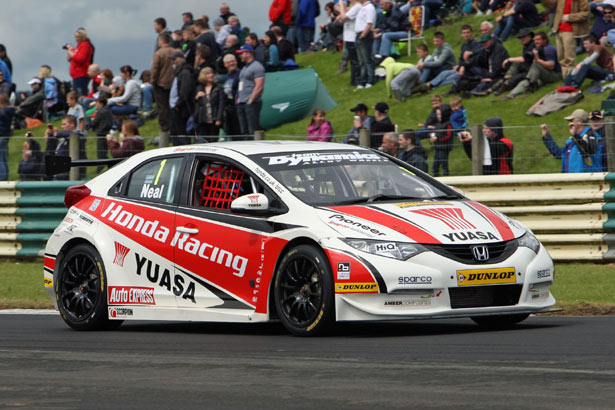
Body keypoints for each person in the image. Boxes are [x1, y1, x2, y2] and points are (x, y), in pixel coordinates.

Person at [540, 108, 603, 172]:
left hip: (588, 179)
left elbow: (588, 152)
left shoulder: (591, 135)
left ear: (579, 122)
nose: (569, 123)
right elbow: (558, 154)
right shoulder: (572, 139)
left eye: (571, 120)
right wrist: (547, 136)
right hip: (572, 178)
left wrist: (575, 135)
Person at [424, 25, 482, 92]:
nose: (466, 34)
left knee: (451, 77)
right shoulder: (464, 45)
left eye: (467, 32)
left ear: (471, 33)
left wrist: (471, 52)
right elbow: (461, 59)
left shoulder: (476, 44)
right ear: (461, 35)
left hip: (470, 69)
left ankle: (434, 87)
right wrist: (459, 65)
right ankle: (429, 85)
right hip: (461, 67)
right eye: (464, 33)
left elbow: (481, 50)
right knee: (444, 73)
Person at [504, 32, 562, 99]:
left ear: (545, 40)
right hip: (544, 74)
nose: (536, 42)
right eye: (535, 40)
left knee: (535, 65)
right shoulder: (539, 49)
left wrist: (537, 59)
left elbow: (551, 66)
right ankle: (511, 95)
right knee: (525, 82)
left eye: (538, 40)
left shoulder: (549, 49)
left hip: (555, 75)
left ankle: (531, 87)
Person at [541, 0, 590, 78]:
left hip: (571, 30)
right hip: (558, 30)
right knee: (561, 59)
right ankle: (566, 80)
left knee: (569, 58)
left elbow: (585, 13)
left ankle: (571, 80)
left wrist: (569, 17)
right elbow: (550, 4)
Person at [493, 28, 536, 96]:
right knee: (516, 72)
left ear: (529, 36)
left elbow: (525, 59)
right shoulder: (527, 46)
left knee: (516, 65)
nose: (522, 39)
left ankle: (502, 85)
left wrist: (509, 59)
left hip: (534, 70)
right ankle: (502, 85)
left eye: (524, 37)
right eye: (520, 38)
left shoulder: (533, 45)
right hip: (529, 69)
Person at [150, 32, 175, 145]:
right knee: (172, 108)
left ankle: (165, 130)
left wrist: (153, 82)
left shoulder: (159, 53)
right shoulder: (176, 52)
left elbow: (155, 69)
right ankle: (173, 129)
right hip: (173, 84)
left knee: (163, 109)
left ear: (161, 40)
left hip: (161, 84)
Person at [236, 44, 265, 137]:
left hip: (252, 102)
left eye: (242, 53)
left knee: (252, 129)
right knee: (244, 131)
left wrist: (251, 100)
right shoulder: (244, 68)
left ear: (248, 53)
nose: (240, 56)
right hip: (242, 102)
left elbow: (259, 86)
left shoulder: (257, 66)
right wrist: (239, 99)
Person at [44, 115, 85, 180]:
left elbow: (73, 134)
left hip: (70, 174)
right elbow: (50, 149)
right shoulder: (63, 138)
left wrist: (56, 134)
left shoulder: (79, 134)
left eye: (64, 124)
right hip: (58, 173)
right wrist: (51, 135)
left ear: (72, 124)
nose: (62, 127)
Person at [169, 51, 195, 145]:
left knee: (181, 133)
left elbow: (185, 90)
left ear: (181, 59)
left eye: (174, 59)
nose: (173, 62)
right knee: (175, 132)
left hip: (182, 109)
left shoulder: (185, 72)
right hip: (176, 107)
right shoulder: (179, 72)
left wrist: (179, 104)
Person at [195, 67, 225, 143]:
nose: (211, 75)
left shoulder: (218, 87)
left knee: (213, 140)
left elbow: (221, 104)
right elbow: (196, 105)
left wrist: (219, 118)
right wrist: (196, 97)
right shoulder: (199, 88)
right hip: (203, 119)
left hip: (214, 118)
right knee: (203, 140)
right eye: (208, 73)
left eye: (212, 73)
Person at [337, 0, 361, 87]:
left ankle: (357, 80)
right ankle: (354, 80)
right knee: (353, 61)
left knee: (355, 60)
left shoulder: (357, 7)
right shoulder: (354, 7)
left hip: (352, 37)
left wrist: (341, 7)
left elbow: (343, 17)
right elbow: (342, 17)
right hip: (349, 37)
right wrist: (342, 9)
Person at [65, 28, 95, 97]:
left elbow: (80, 58)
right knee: (77, 93)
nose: (76, 39)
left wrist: (70, 52)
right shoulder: (80, 46)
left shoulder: (85, 46)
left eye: (77, 37)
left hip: (81, 74)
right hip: (77, 75)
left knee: (80, 95)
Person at [354, 0, 377, 89]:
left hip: (365, 35)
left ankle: (370, 80)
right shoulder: (363, 7)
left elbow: (369, 23)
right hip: (358, 35)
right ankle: (362, 80)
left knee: (367, 59)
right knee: (361, 60)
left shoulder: (369, 7)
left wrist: (363, 34)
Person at [429, 105, 453, 177]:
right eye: (437, 114)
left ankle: (447, 180)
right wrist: (432, 135)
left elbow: (448, 136)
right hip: (437, 148)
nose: (438, 116)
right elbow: (434, 131)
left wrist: (438, 139)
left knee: (444, 166)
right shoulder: (437, 124)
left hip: (444, 148)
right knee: (435, 166)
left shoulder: (448, 125)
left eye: (440, 114)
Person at [91, 97, 113, 173]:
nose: (96, 105)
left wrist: (92, 121)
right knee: (105, 152)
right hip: (107, 133)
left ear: (101, 103)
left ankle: (100, 169)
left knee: (100, 153)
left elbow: (94, 123)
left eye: (97, 103)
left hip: (101, 134)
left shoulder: (100, 112)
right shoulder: (109, 111)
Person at [0, 94, 15, 181]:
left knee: (0, 159)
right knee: (4, 157)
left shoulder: (2, 112)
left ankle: (1, 178)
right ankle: (5, 177)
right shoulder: (10, 111)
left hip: (1, 136)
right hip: (6, 136)